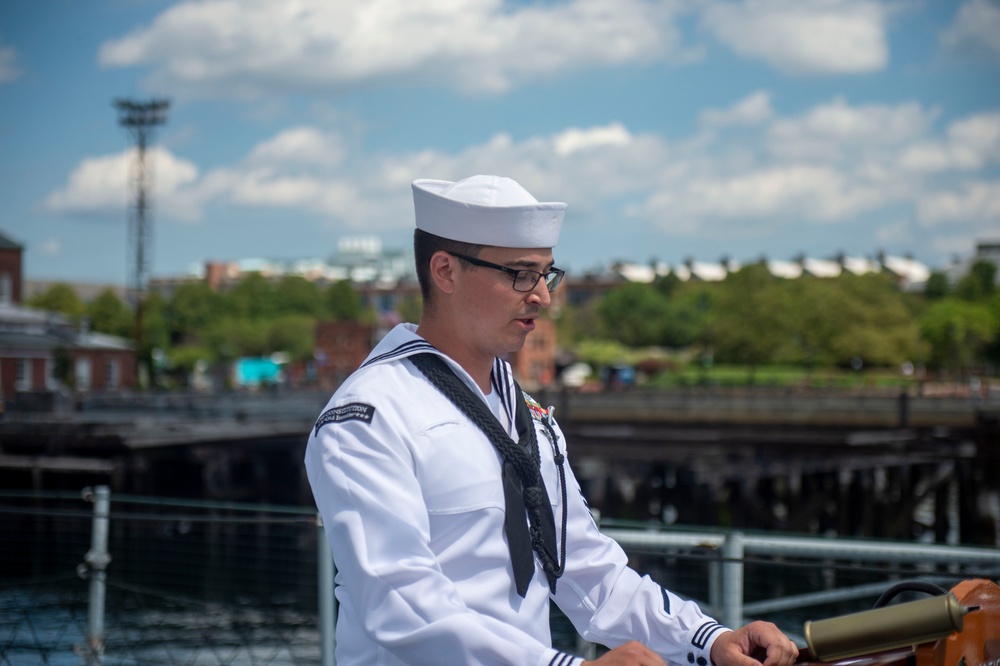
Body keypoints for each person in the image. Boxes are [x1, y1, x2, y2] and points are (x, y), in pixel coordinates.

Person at [304, 175, 800, 666]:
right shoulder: (369, 418)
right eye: (520, 274)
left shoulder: (520, 410)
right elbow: (400, 603)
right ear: (445, 271)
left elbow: (586, 568)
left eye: (547, 274)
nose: (542, 295)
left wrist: (707, 639)